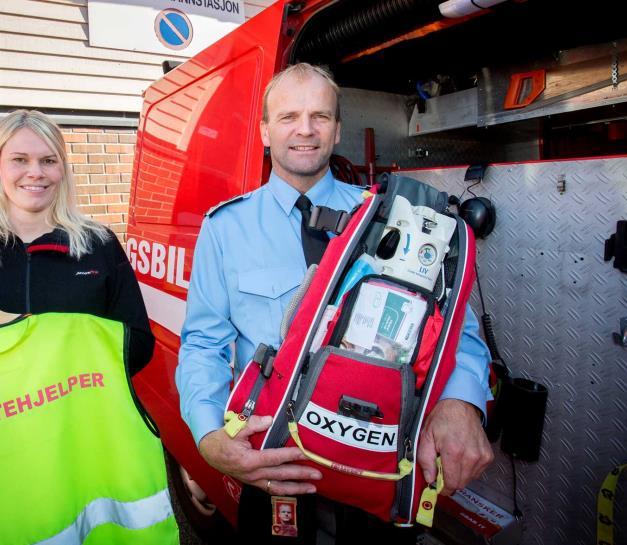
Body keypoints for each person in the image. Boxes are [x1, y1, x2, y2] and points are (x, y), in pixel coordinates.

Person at [177, 63, 494, 543]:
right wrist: (207, 437)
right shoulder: (226, 228)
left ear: (337, 129)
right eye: (287, 117)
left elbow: (456, 328)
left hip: (379, 465)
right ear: (264, 131)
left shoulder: (393, 217)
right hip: (275, 467)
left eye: (319, 116)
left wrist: (461, 401)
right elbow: (203, 342)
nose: (304, 130)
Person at [0, 109, 154, 377]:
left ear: (62, 168)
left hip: (74, 414)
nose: (35, 172)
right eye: (20, 160)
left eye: (48, 160)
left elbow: (139, 344)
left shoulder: (100, 245)